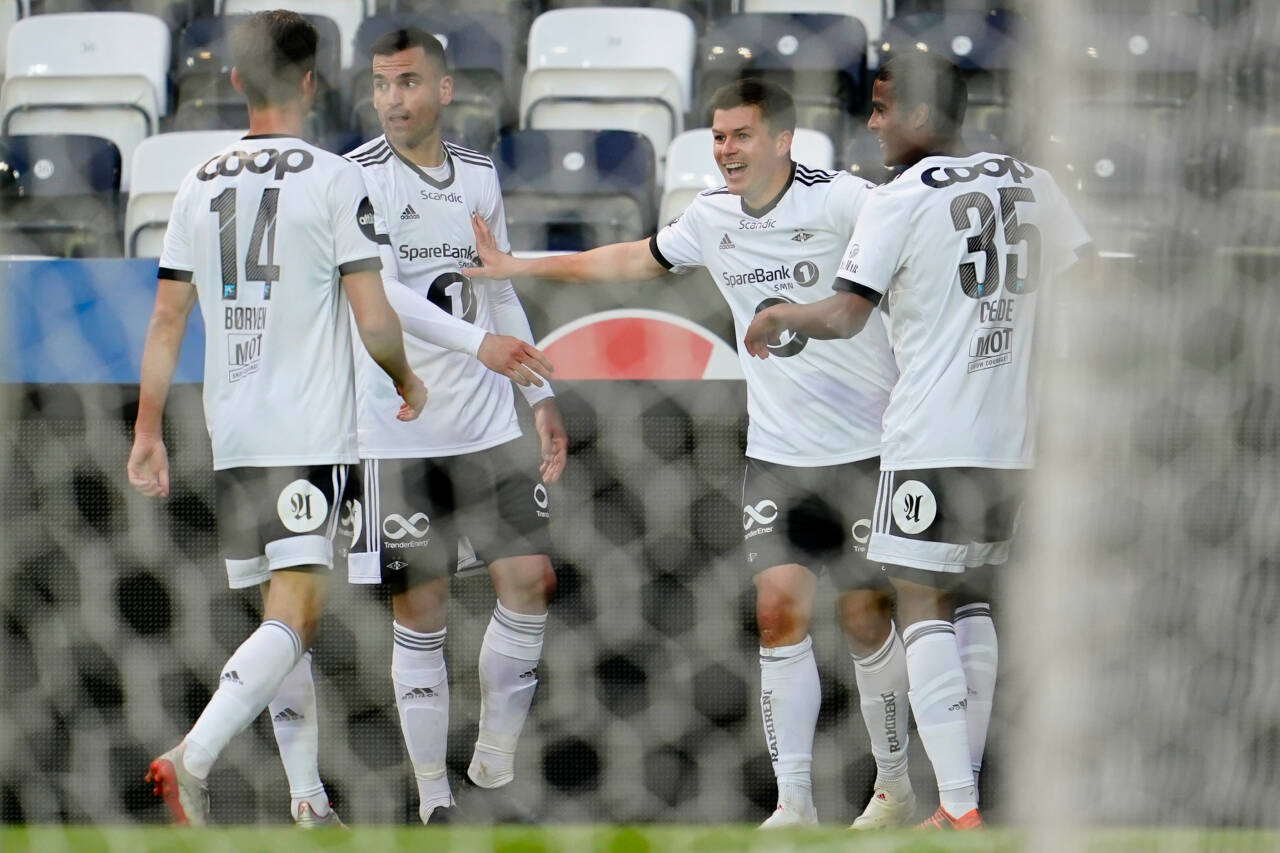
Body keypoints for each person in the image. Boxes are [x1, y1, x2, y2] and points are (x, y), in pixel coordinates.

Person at [466, 78, 916, 829]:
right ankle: (794, 802)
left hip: (866, 449)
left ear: (782, 139)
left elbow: (909, 254)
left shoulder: (843, 199)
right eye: (717, 136)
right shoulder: (710, 216)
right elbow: (629, 259)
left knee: (866, 617)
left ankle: (895, 786)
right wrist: (519, 266)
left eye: (741, 135)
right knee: (778, 613)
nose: (726, 150)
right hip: (777, 451)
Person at [745, 53, 1093, 829]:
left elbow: (844, 314)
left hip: (934, 433)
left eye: (882, 108)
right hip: (1019, 442)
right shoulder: (1036, 180)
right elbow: (1089, 280)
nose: (872, 125)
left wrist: (777, 317)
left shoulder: (899, 198)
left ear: (924, 115)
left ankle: (960, 810)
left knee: (921, 599)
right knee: (972, 601)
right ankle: (961, 801)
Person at [125, 10, 429, 827]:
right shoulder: (334, 178)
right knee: (297, 613)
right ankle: (192, 755)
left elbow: (164, 321)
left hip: (235, 437)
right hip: (310, 435)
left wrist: (148, 428)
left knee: (277, 614)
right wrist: (406, 379)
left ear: (233, 81)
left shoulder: (197, 181)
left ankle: (306, 798)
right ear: (311, 81)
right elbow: (372, 318)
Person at [264, 27, 564, 825]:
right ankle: (435, 796)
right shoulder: (353, 178)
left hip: (486, 423)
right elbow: (383, 294)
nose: (392, 99)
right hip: (396, 428)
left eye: (406, 82)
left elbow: (495, 287)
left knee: (531, 579)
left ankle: (495, 758)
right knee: (420, 609)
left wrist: (538, 395)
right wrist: (480, 345)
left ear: (443, 88)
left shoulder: (477, 174)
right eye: (380, 84)